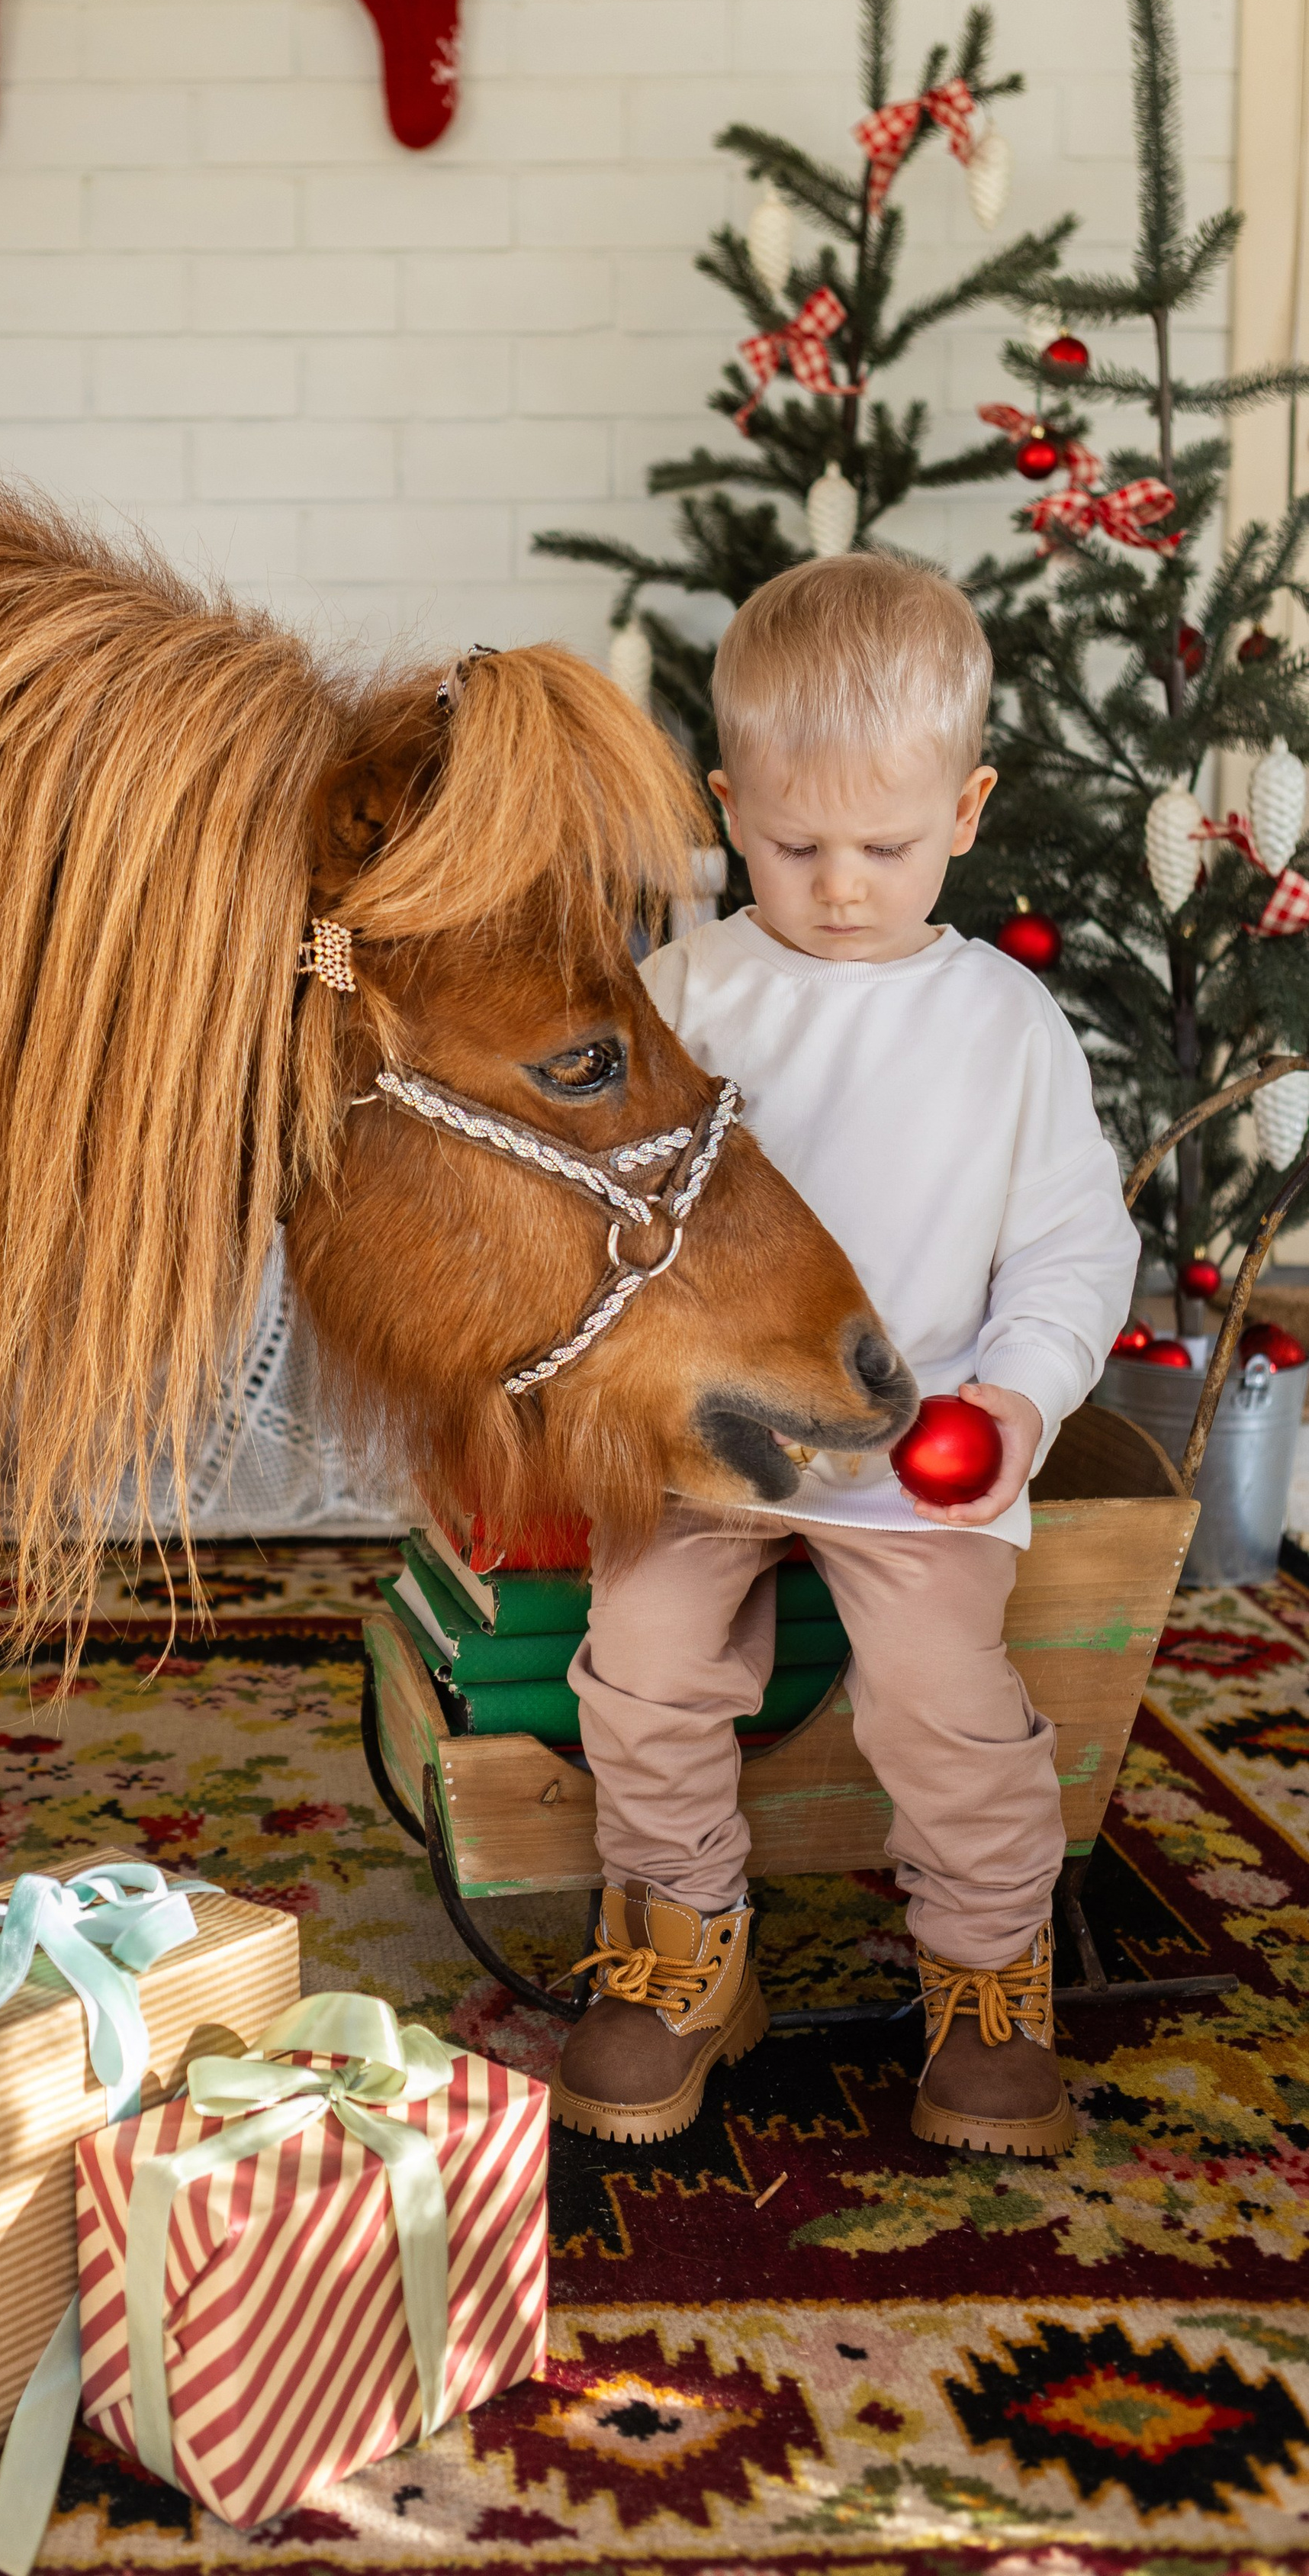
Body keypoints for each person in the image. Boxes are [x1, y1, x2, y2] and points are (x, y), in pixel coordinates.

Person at [552, 555, 1137, 2159]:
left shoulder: (1000, 1023)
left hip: (914, 1447)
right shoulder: (683, 996)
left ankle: (982, 1968)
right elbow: (611, 1213)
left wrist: (1018, 1394)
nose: (838, 884)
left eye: (883, 846)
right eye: (793, 843)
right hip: (708, 1436)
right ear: (729, 806)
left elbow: (1075, 1249)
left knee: (944, 1699)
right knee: (642, 1656)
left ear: (963, 811)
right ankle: (682, 1943)